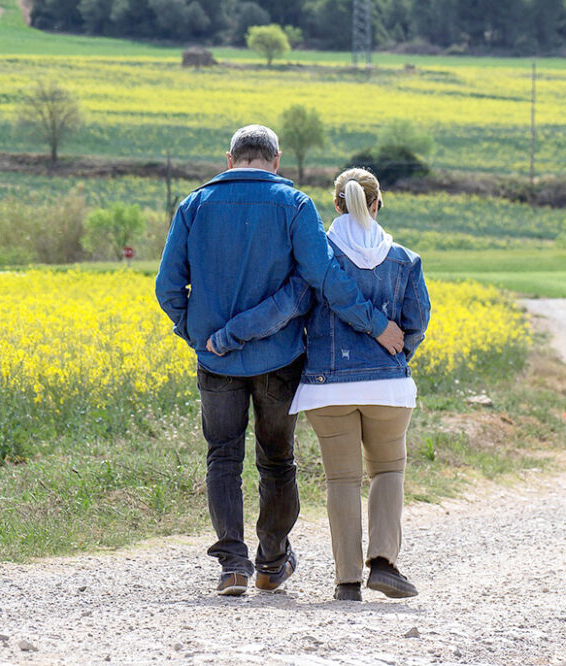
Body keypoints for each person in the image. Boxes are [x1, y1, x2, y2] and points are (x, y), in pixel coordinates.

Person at [155, 126, 405, 597]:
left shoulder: (193, 205)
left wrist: (199, 336)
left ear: (229, 158)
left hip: (215, 362)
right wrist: (375, 324)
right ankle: (271, 562)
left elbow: (168, 287)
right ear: (276, 160)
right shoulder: (295, 205)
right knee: (276, 460)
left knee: (222, 458)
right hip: (280, 358)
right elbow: (321, 277)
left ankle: (232, 565)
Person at [209, 168, 431, 602]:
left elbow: (284, 307)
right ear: (377, 204)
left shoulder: (319, 260)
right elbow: (416, 323)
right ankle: (383, 564)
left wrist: (228, 336)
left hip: (327, 389)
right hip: (388, 388)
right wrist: (394, 358)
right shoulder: (405, 259)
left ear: (335, 205)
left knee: (342, 481)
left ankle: (347, 582)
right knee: (388, 471)